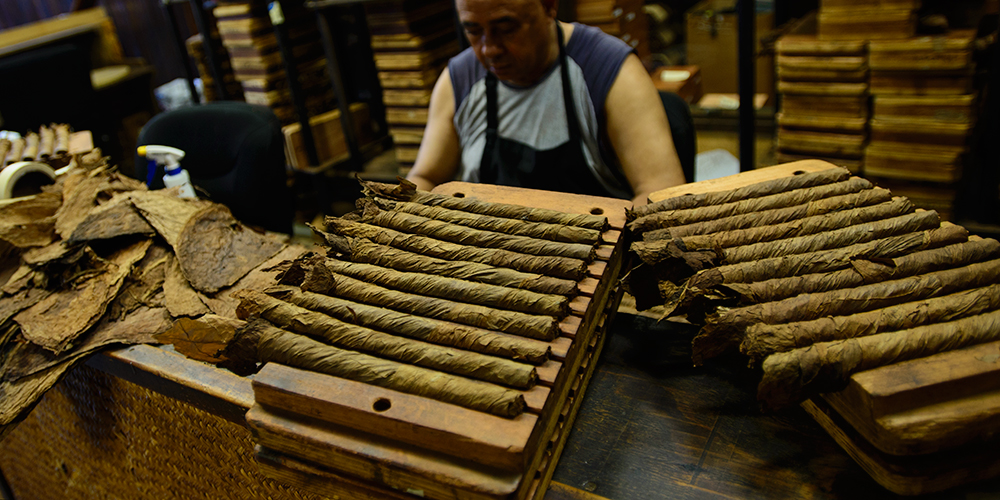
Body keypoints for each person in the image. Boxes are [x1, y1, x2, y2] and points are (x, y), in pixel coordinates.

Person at [405, 0, 687, 206]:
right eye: (474, 31)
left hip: (591, 254)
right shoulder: (459, 78)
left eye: (506, 29)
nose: (489, 48)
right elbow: (425, 177)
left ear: (549, 6)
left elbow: (661, 189)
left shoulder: (607, 69)